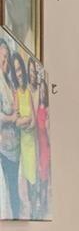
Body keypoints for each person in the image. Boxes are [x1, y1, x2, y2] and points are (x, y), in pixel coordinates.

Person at [10, 51, 36, 218]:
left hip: (31, 142)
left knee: (33, 176)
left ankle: (33, 207)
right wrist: (25, 121)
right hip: (22, 143)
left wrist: (26, 121)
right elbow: (16, 120)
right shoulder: (16, 94)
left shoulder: (27, 92)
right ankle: (28, 207)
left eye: (20, 69)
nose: (19, 73)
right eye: (16, 70)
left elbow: (32, 119)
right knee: (25, 177)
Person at [0, 39, 20, 218]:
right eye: (1, 58)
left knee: (14, 192)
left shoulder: (9, 85)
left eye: (5, 58)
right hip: (3, 147)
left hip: (13, 148)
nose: (3, 63)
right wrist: (11, 118)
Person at [35, 69, 49, 216]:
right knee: (37, 172)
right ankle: (39, 200)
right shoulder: (37, 107)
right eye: (41, 91)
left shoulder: (47, 110)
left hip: (44, 145)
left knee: (43, 173)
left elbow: (47, 130)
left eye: (44, 92)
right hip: (36, 143)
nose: (42, 94)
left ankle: (43, 202)